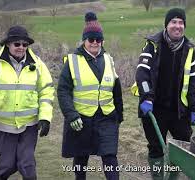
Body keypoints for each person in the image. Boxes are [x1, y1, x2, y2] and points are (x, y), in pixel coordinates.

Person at [0, 25, 54, 180]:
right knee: (7, 166)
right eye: (17, 44)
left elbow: (47, 91)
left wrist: (45, 117)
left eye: (25, 44)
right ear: (8, 44)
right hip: (3, 126)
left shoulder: (38, 64)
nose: (21, 47)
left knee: (27, 166)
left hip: (29, 126)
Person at [135, 8, 195, 179]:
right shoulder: (152, 45)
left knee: (181, 148)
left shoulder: (190, 50)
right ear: (167, 25)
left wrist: (194, 108)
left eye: (181, 22)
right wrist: (147, 97)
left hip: (179, 111)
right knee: (156, 147)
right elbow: (142, 73)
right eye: (174, 22)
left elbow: (193, 83)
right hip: (154, 108)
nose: (177, 26)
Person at [57, 12, 123, 180]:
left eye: (98, 39)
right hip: (81, 118)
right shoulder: (72, 61)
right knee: (81, 157)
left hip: (107, 117)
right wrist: (71, 115)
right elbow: (63, 90)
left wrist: (119, 115)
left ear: (102, 41)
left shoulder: (109, 59)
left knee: (110, 156)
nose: (95, 43)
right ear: (84, 40)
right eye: (91, 39)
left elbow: (116, 88)